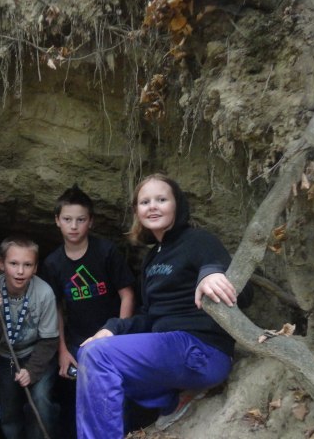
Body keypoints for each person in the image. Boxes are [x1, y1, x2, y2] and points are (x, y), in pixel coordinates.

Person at [75, 174, 252, 439]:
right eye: (145, 202)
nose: (153, 206)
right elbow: (148, 315)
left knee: (99, 357)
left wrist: (212, 273)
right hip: (171, 349)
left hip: (200, 349)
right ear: (137, 211)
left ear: (177, 205)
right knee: (89, 351)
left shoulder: (199, 241)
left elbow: (240, 290)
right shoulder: (151, 258)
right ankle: (172, 400)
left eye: (161, 199)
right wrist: (112, 329)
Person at [40, 184, 135, 439]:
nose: (74, 226)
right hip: (76, 343)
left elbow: (127, 294)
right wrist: (62, 350)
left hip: (110, 337)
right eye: (67, 219)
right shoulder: (53, 263)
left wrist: (119, 336)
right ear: (57, 221)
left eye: (80, 220)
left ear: (90, 222)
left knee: (117, 397)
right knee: (76, 400)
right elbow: (56, 308)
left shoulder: (106, 252)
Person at [0, 235, 59, 439]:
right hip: (7, 358)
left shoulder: (44, 293)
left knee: (40, 401)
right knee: (9, 411)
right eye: (13, 263)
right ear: (1, 264)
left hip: (37, 354)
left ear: (36, 267)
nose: (20, 271)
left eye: (27, 264)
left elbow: (49, 340)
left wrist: (31, 370)